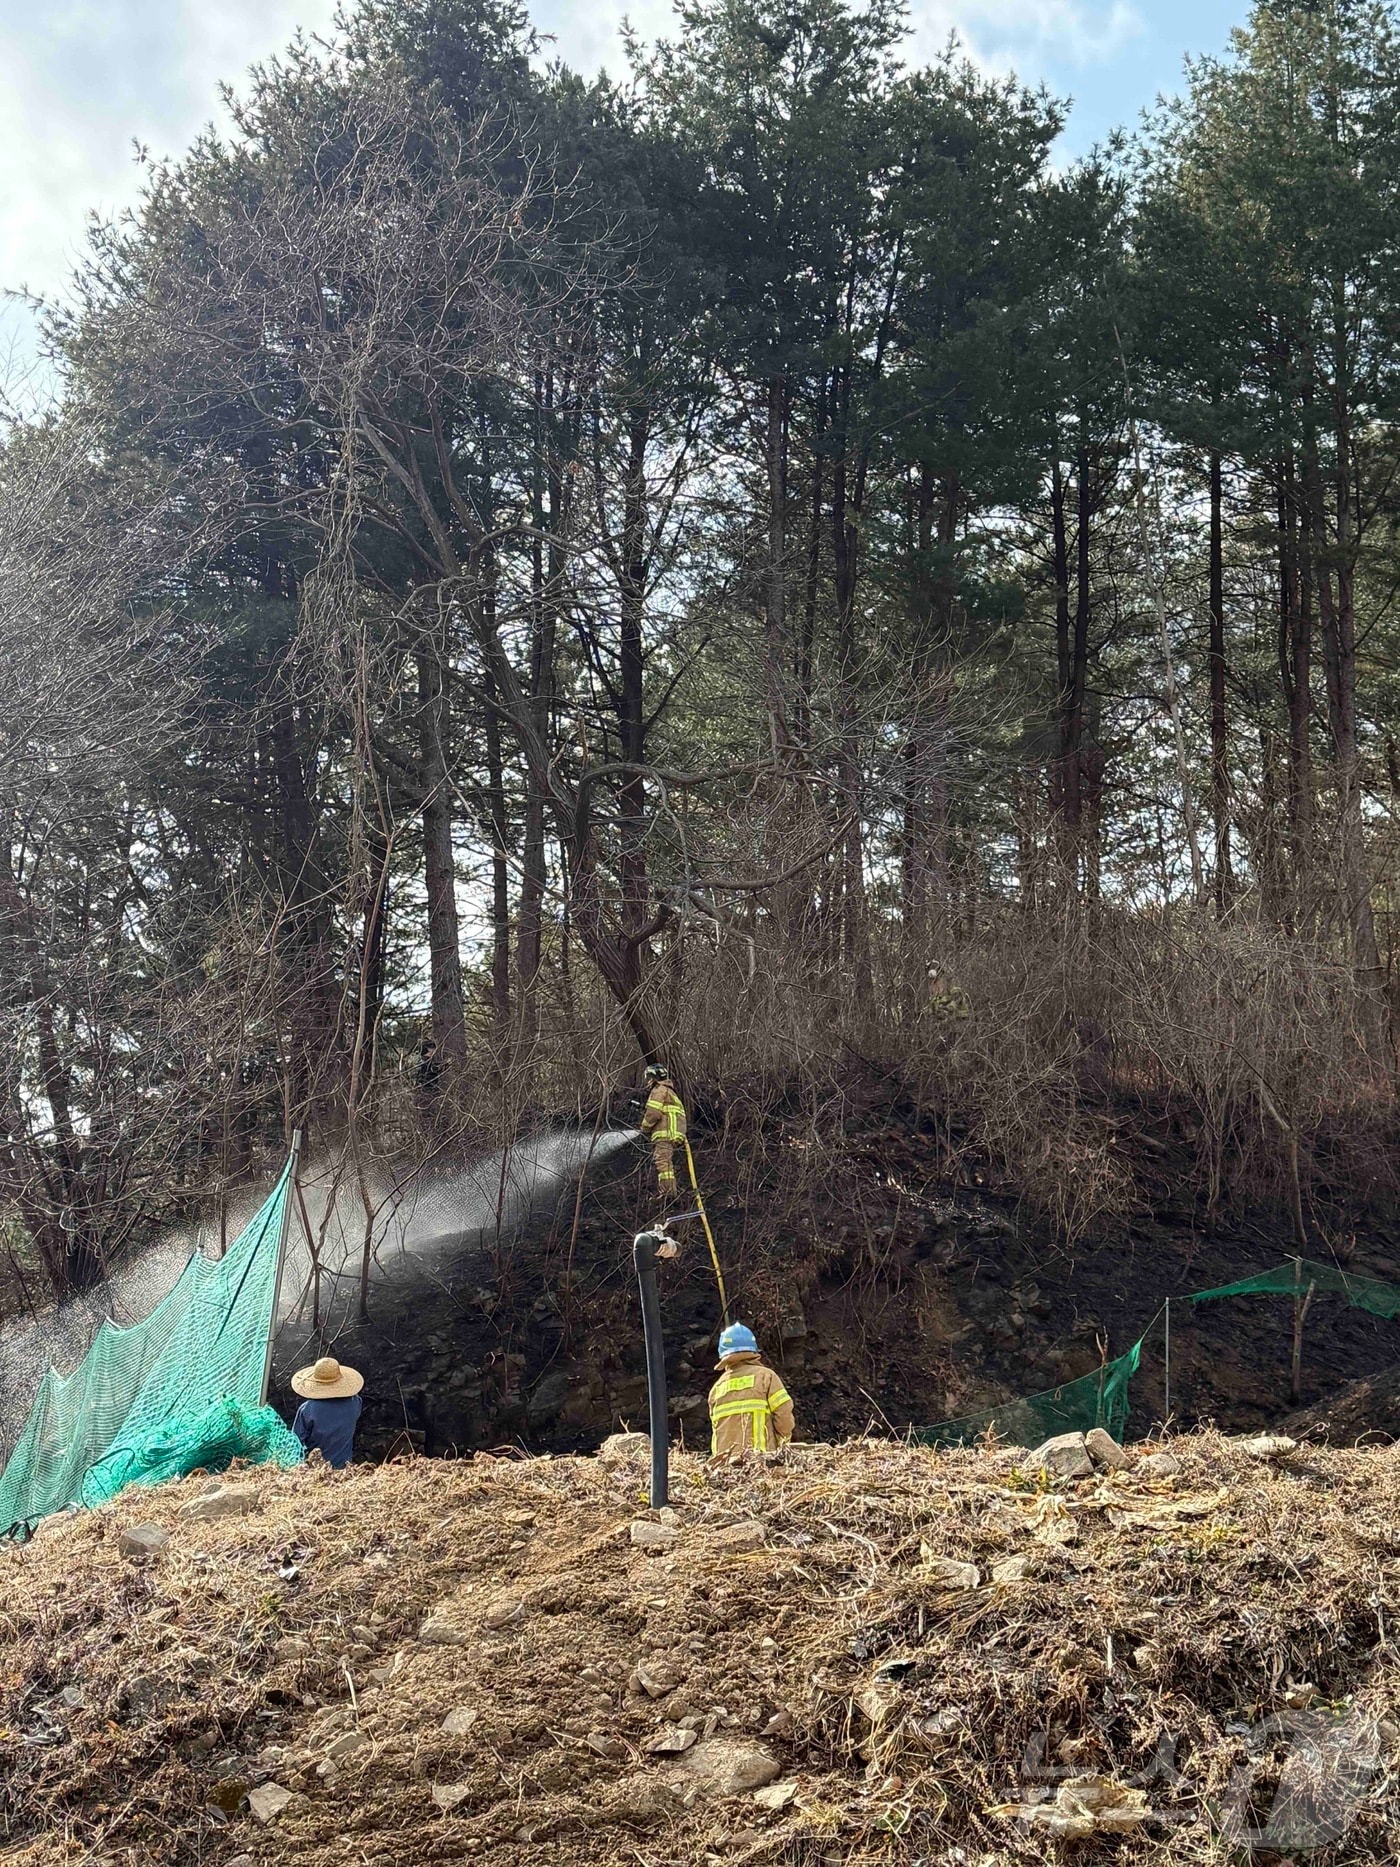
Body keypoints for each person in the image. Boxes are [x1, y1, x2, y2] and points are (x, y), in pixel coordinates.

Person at [707, 1324, 793, 1457]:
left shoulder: (717, 1388)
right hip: (760, 1463)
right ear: (753, 1350)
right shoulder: (765, 1377)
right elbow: (784, 1416)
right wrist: (783, 1445)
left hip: (724, 1468)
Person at [290, 1356, 364, 1469]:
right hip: (345, 1470)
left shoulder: (307, 1409)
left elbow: (295, 1443)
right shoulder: (355, 1402)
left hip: (314, 1471)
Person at [639, 1064, 687, 1207]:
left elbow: (654, 1113)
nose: (647, 1081)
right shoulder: (669, 1092)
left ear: (653, 1078)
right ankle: (668, 1193)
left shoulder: (659, 1090)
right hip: (671, 1133)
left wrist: (644, 1128)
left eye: (649, 1078)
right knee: (665, 1162)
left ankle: (668, 1194)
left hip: (666, 1134)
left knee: (663, 1162)